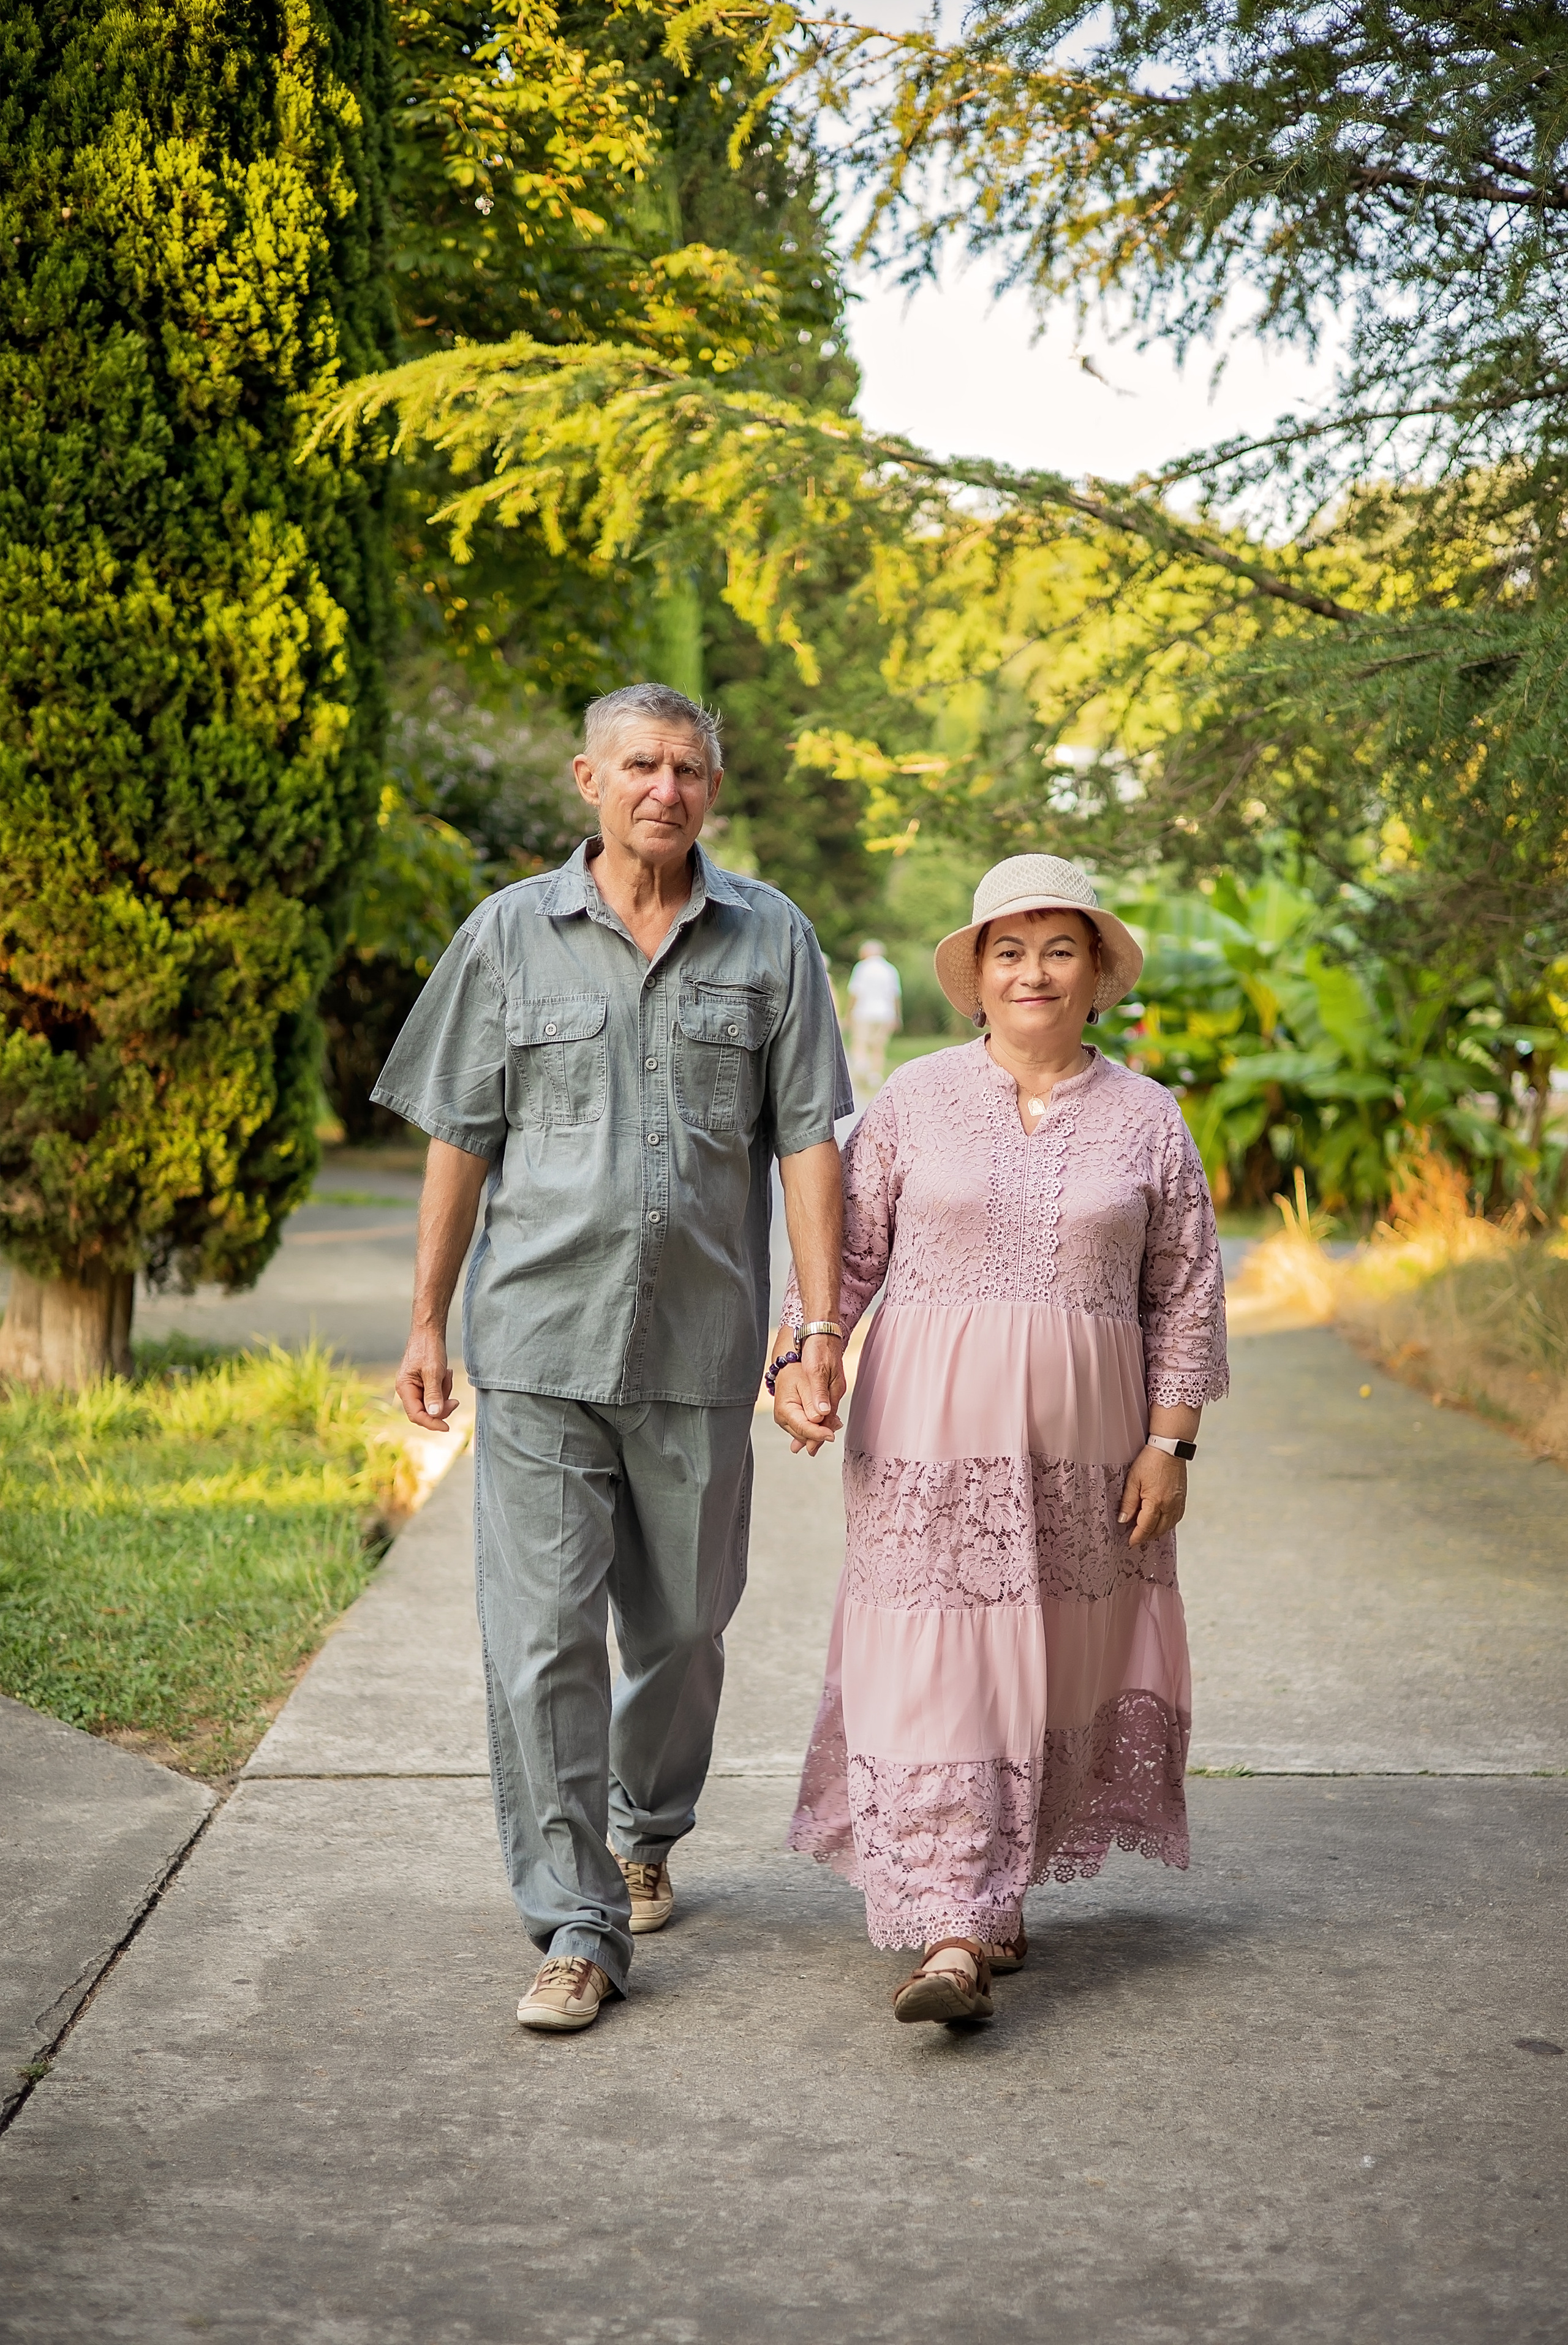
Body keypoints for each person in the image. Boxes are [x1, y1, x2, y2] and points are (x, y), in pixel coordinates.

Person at [375, 682, 851, 2035]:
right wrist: (426, 1317)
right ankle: (574, 1921)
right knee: (540, 1644)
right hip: (535, 1340)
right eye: (638, 765)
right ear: (587, 780)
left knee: (685, 1630)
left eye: (687, 767)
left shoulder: (772, 942)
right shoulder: (508, 937)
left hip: (698, 1348)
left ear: (713, 785)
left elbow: (810, 1138)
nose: (663, 788)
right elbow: (459, 1133)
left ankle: (648, 1822)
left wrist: (815, 1333)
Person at [774, 854, 1228, 2025]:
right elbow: (850, 1259)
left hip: (1089, 1454)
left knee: (1049, 1664)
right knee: (934, 1666)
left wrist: (1170, 1445)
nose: (1033, 971)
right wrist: (803, 1356)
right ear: (975, 975)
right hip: (922, 1443)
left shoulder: (1148, 1120)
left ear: (1096, 975)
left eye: (1058, 948)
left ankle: (993, 1886)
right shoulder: (913, 1102)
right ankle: (953, 1933)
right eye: (1008, 950)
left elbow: (1184, 1290)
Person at [845, 938, 902, 1095]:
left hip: (863, 1011)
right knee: (879, 1046)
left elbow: (855, 992)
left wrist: (849, 1013)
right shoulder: (890, 969)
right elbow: (895, 995)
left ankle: (862, 1064)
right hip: (885, 1013)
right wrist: (897, 1016)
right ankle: (875, 1075)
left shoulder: (862, 968)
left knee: (860, 1042)